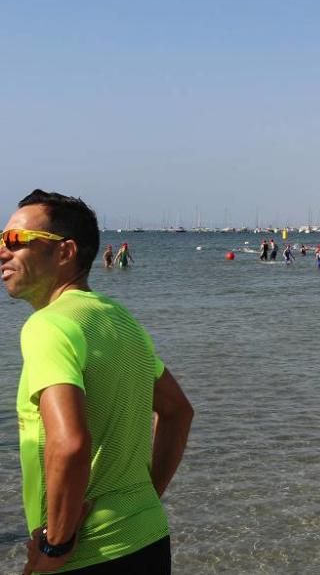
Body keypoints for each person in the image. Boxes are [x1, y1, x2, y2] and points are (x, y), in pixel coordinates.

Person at [1, 189, 193, 574]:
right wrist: (142, 498)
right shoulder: (122, 321)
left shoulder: (48, 326)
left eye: (17, 240)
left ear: (65, 252)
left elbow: (70, 443)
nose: (3, 250)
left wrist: (56, 545)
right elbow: (177, 412)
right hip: (148, 538)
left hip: (87, 554)